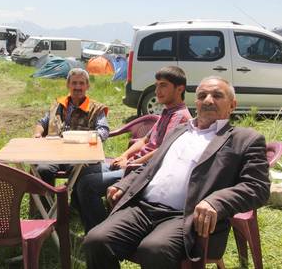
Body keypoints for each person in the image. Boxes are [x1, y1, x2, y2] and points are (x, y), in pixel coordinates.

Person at [82, 76, 271, 269]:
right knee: (96, 240)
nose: (208, 100)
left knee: (154, 250)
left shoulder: (245, 139)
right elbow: (149, 166)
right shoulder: (180, 130)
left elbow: (258, 187)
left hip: (185, 216)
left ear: (232, 104)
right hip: (143, 208)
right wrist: (124, 184)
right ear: (195, 102)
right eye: (202, 95)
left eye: (217, 95)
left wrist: (216, 201)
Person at [75, 66, 192, 233]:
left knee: (88, 185)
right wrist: (124, 156)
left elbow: (162, 151)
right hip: (133, 163)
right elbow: (145, 140)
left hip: (145, 171)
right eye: (156, 85)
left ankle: (101, 232)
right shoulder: (167, 111)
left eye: (163, 85)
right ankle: (85, 219)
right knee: (83, 171)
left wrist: (132, 162)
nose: (157, 90)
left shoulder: (180, 116)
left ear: (180, 89)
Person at [33, 68, 109, 186]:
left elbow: (103, 130)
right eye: (74, 83)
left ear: (87, 86)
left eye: (81, 83)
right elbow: (42, 122)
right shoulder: (58, 104)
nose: (77, 87)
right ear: (68, 85)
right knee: (42, 170)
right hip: (55, 153)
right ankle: (47, 204)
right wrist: (38, 134)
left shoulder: (96, 109)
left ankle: (72, 201)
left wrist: (85, 137)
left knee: (80, 171)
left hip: (80, 156)